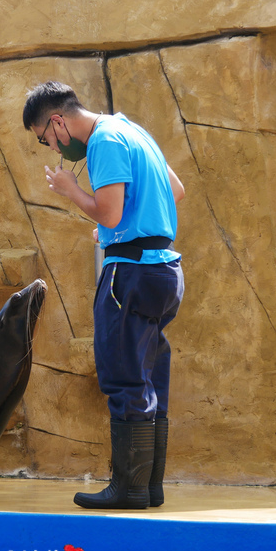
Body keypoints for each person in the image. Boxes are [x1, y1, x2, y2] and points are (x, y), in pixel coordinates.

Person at [21, 80, 185, 510]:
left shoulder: (103, 141)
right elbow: (175, 191)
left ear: (57, 122)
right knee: (150, 375)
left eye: (46, 140)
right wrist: (117, 230)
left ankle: (127, 489)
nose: (55, 151)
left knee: (123, 376)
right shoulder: (132, 130)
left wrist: (71, 191)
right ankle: (149, 487)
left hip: (129, 275)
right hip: (164, 270)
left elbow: (108, 208)